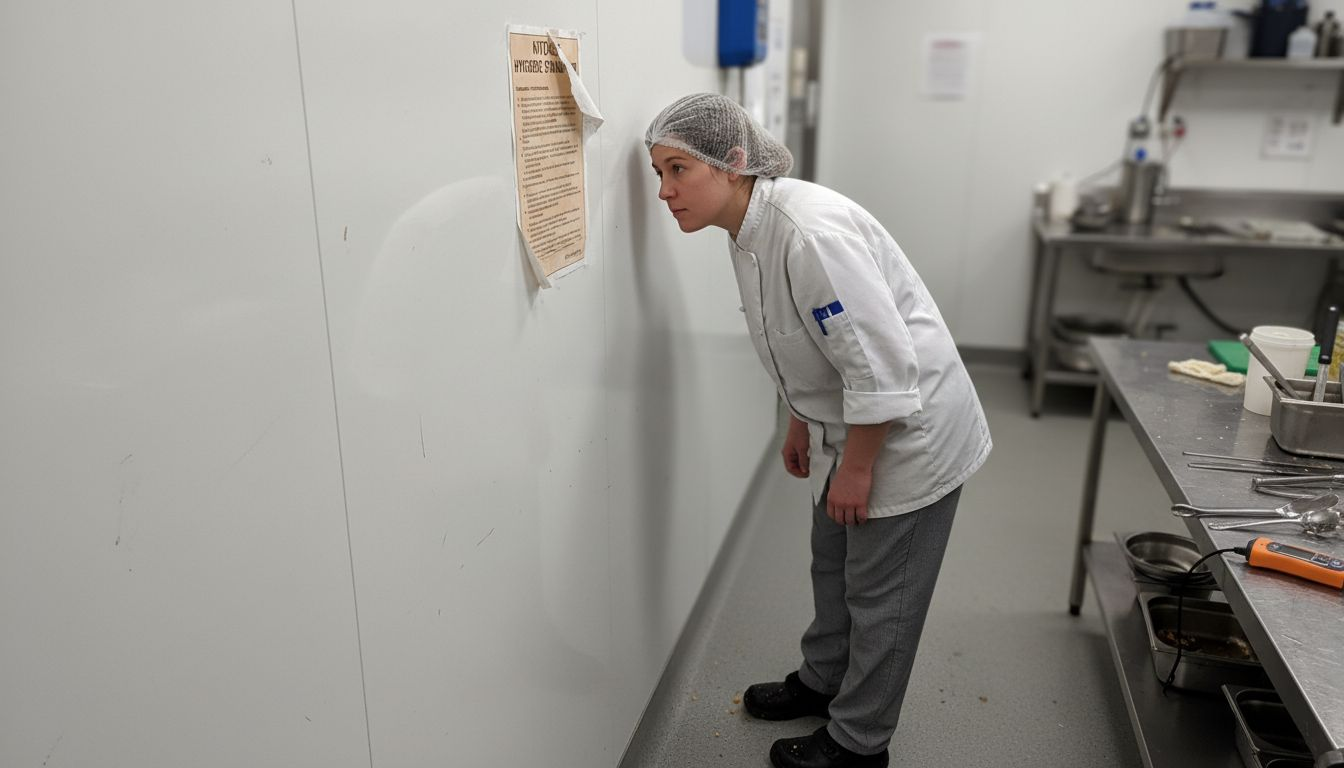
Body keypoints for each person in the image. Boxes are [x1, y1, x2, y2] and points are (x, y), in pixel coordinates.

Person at [645, 93, 992, 768]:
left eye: (678, 170)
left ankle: (860, 742)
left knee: (882, 595)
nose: (664, 191)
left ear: (732, 164)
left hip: (905, 433)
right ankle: (823, 677)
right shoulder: (747, 232)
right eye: (658, 173)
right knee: (831, 561)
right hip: (846, 425)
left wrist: (858, 466)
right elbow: (801, 341)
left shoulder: (807, 233)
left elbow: (884, 364)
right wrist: (801, 423)